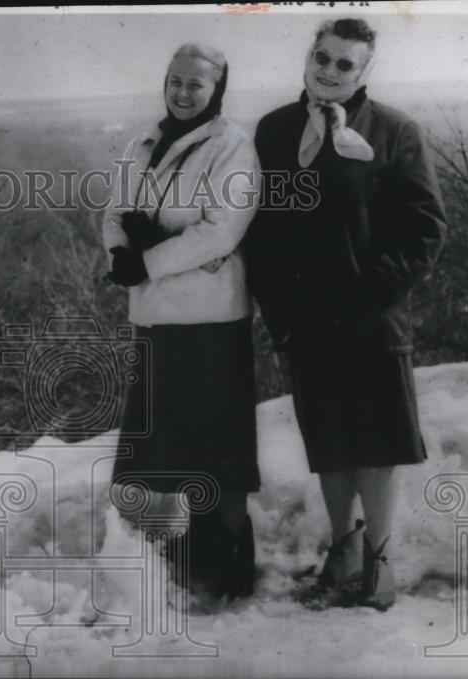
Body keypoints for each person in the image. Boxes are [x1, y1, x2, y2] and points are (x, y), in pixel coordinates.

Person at [245, 18, 447, 610]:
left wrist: (373, 291)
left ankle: (378, 560)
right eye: (322, 57)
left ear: (364, 72)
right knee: (330, 441)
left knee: (378, 442)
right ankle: (344, 546)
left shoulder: (393, 130)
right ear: (308, 56)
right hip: (307, 320)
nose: (328, 72)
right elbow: (263, 229)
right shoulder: (276, 130)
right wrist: (278, 310)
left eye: (344, 64)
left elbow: (425, 228)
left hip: (373, 316)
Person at [102, 42, 261, 600]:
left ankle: (230, 554)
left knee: (217, 441)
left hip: (210, 319)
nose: (182, 92)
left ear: (216, 90)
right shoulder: (142, 141)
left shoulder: (232, 146)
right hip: (155, 318)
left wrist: (146, 261)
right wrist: (121, 255)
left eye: (196, 84)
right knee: (164, 438)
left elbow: (220, 230)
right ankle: (183, 549)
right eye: (175, 80)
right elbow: (115, 214)